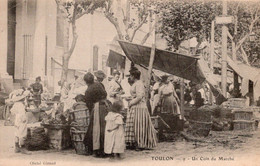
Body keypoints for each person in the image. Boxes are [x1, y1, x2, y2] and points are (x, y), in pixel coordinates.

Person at [125, 69, 157, 150]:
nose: (130, 77)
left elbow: (139, 97)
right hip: (135, 106)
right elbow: (136, 95)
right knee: (134, 125)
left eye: (131, 76)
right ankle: (134, 142)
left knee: (139, 126)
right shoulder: (136, 83)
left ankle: (141, 143)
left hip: (139, 107)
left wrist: (131, 102)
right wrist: (130, 99)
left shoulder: (139, 84)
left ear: (134, 76)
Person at [83, 72, 110, 157]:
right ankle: (107, 149)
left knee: (96, 129)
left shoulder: (88, 90)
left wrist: (92, 111)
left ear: (86, 81)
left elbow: (89, 104)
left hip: (97, 108)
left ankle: (97, 150)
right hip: (106, 106)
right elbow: (105, 94)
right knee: (105, 128)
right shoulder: (99, 84)